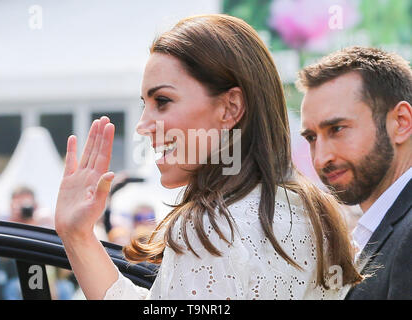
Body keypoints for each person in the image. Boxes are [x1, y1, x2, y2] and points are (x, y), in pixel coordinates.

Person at [54, 14, 362, 300]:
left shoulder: (210, 229)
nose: (143, 125)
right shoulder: (315, 214)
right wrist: (77, 235)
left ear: (230, 108)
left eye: (162, 101)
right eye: (145, 104)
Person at [297, 46, 412, 299]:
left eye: (337, 129)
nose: (321, 157)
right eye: (311, 137)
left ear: (401, 122)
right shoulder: (380, 228)